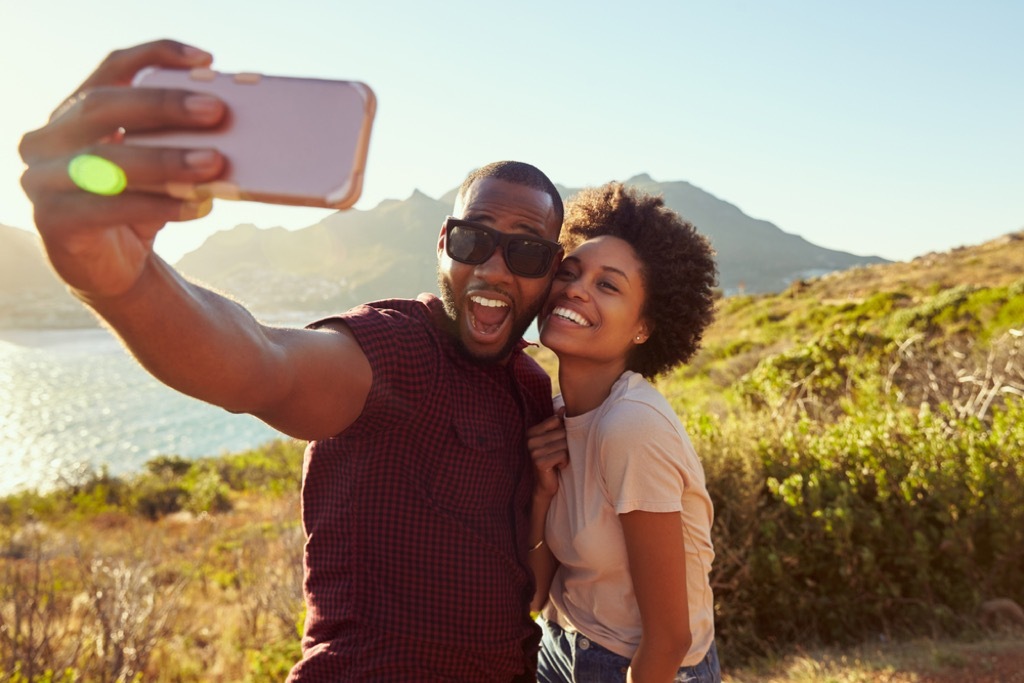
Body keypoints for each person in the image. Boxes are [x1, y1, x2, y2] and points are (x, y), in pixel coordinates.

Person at [19, 39, 566, 681]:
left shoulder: (530, 387)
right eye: (475, 240)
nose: (494, 269)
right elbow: (262, 363)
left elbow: (524, 594)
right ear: (445, 244)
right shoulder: (396, 349)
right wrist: (120, 283)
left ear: (552, 270)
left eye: (526, 253)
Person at [525, 182, 721, 682]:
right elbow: (534, 596)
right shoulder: (556, 416)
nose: (575, 289)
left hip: (634, 667)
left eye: (607, 286)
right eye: (569, 273)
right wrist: (543, 493)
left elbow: (669, 639)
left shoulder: (631, 427)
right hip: (559, 646)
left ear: (643, 328)